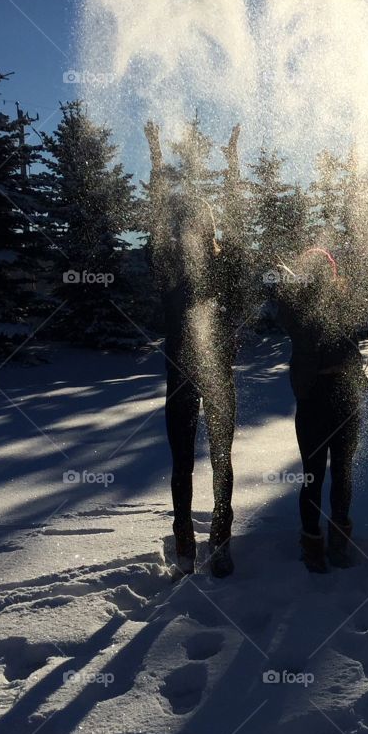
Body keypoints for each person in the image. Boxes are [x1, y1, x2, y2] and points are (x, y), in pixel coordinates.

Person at [145, 121, 247, 579]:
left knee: (219, 460)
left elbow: (238, 220)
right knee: (184, 463)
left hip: (216, 377)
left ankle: (218, 542)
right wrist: (154, 154)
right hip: (182, 380)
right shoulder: (169, 271)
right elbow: (156, 219)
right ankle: (186, 544)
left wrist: (230, 165)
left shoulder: (222, 271)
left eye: (199, 223)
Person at [275, 247, 368, 573]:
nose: (321, 278)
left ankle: (337, 543)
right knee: (314, 474)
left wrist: (360, 378)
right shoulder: (297, 306)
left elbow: (352, 343)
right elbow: (285, 306)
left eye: (324, 271)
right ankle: (312, 543)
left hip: (343, 396)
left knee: (341, 472)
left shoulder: (342, 303)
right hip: (314, 398)